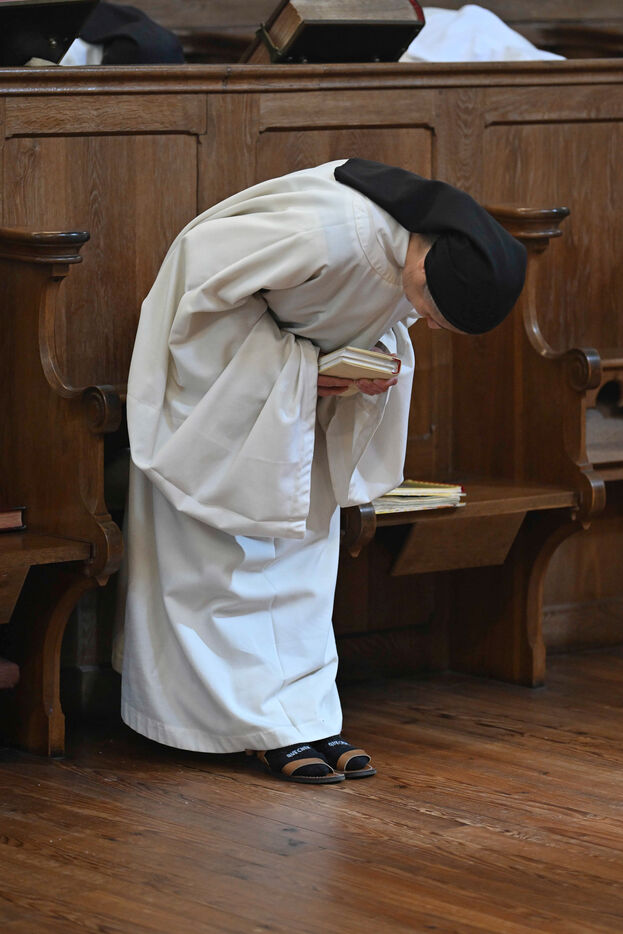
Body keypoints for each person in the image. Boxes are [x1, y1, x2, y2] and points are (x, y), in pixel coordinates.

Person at [114, 158, 526, 784]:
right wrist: (297, 367)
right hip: (222, 399)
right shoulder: (328, 230)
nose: (427, 323)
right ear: (424, 265)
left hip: (293, 406)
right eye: (430, 310)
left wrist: (363, 361)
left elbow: (371, 316)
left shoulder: (420, 256)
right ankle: (245, 726)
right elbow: (197, 285)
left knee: (304, 555)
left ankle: (303, 717)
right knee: (226, 563)